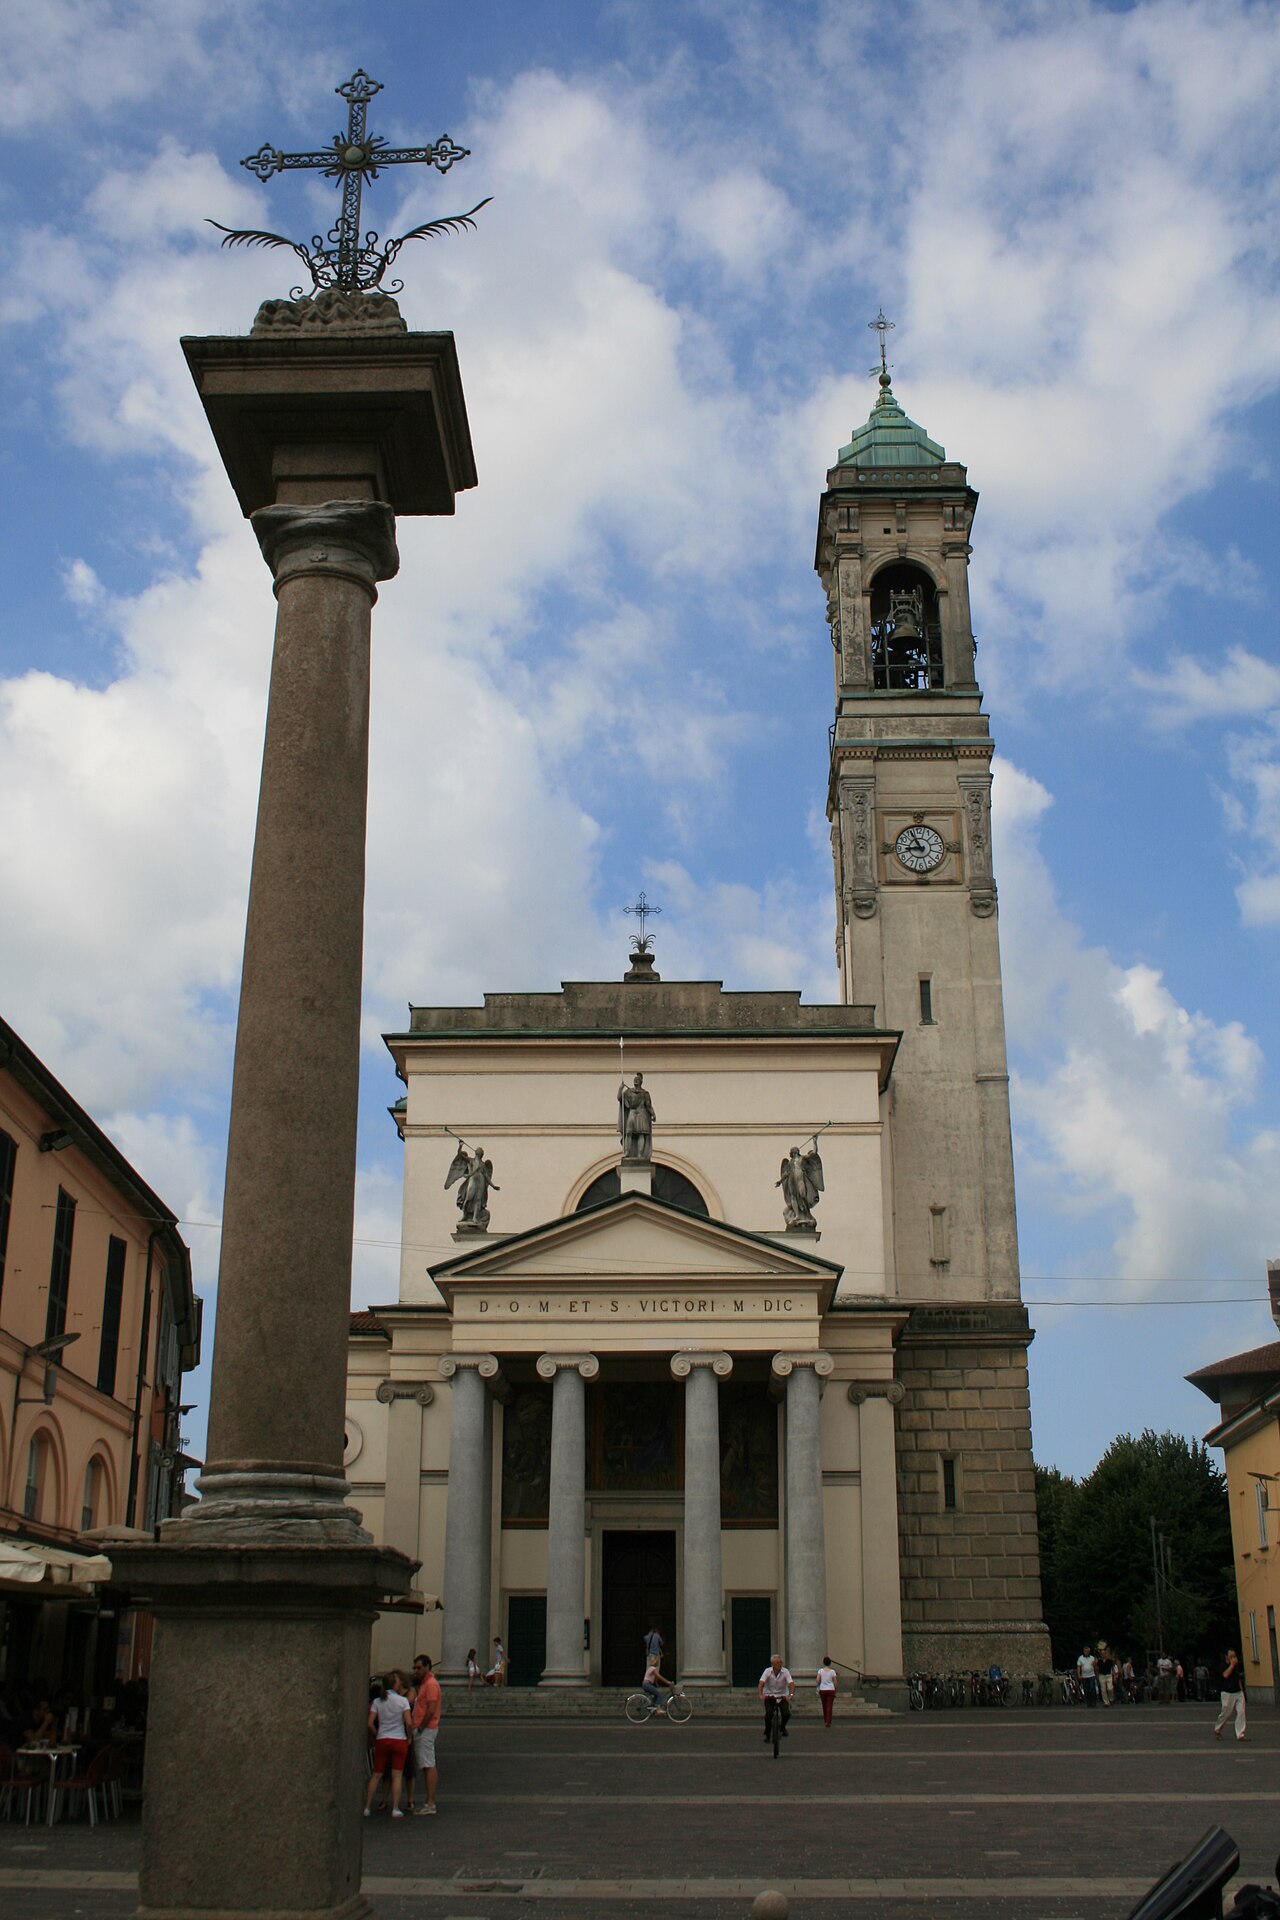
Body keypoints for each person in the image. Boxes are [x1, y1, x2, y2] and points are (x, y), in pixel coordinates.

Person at [364, 1673, 412, 1818]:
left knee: (376, 1774)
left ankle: (367, 1806)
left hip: (383, 1739)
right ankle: (395, 1808)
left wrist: (377, 1732)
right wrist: (409, 1737)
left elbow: (369, 1723)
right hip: (399, 1739)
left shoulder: (378, 1701)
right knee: (397, 1775)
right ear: (396, 1685)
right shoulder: (403, 1701)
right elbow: (408, 1722)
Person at [410, 1654, 441, 1816]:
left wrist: (421, 1727)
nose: (416, 1670)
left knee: (428, 1764)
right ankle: (429, 1801)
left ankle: (430, 1803)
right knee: (426, 1764)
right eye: (414, 1668)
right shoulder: (425, 1684)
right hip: (424, 1728)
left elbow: (430, 1709)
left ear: (428, 1667)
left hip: (426, 1729)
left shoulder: (430, 1685)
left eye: (419, 1668)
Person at [617, 1073, 655, 1161]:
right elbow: (619, 1098)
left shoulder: (644, 1093)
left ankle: (639, 1154)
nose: (636, 1081)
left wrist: (653, 1114)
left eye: (637, 1079)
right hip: (635, 1114)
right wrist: (620, 1088)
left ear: (641, 1082)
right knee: (630, 1134)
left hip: (639, 1114)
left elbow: (648, 1106)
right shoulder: (629, 1092)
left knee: (640, 1134)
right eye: (635, 1079)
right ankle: (628, 1153)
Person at [1213, 1648, 1247, 1742]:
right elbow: (1225, 1675)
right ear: (1226, 1657)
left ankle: (1240, 1734)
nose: (1233, 1658)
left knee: (1241, 1712)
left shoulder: (1237, 1666)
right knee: (1226, 1713)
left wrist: (1242, 1691)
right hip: (1227, 1693)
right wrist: (1232, 1665)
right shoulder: (1223, 1666)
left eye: (1234, 1656)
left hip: (1238, 1692)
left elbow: (1239, 1678)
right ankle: (1218, 1728)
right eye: (1231, 1656)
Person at [758, 1654, 794, 1741]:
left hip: (782, 1696)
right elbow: (761, 1683)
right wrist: (761, 1695)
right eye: (777, 1662)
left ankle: (782, 1728)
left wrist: (790, 1695)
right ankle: (767, 1733)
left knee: (786, 1714)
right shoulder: (767, 1671)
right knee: (768, 1714)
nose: (780, 1664)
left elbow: (791, 1684)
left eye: (780, 1662)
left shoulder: (785, 1671)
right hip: (769, 1696)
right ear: (772, 1664)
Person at [816, 1657, 838, 1727]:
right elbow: (835, 1682)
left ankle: (826, 1719)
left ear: (824, 1662)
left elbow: (817, 1680)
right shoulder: (832, 1671)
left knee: (824, 1705)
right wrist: (836, 1691)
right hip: (831, 1689)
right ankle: (828, 1721)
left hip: (823, 1689)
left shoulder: (820, 1671)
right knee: (829, 1706)